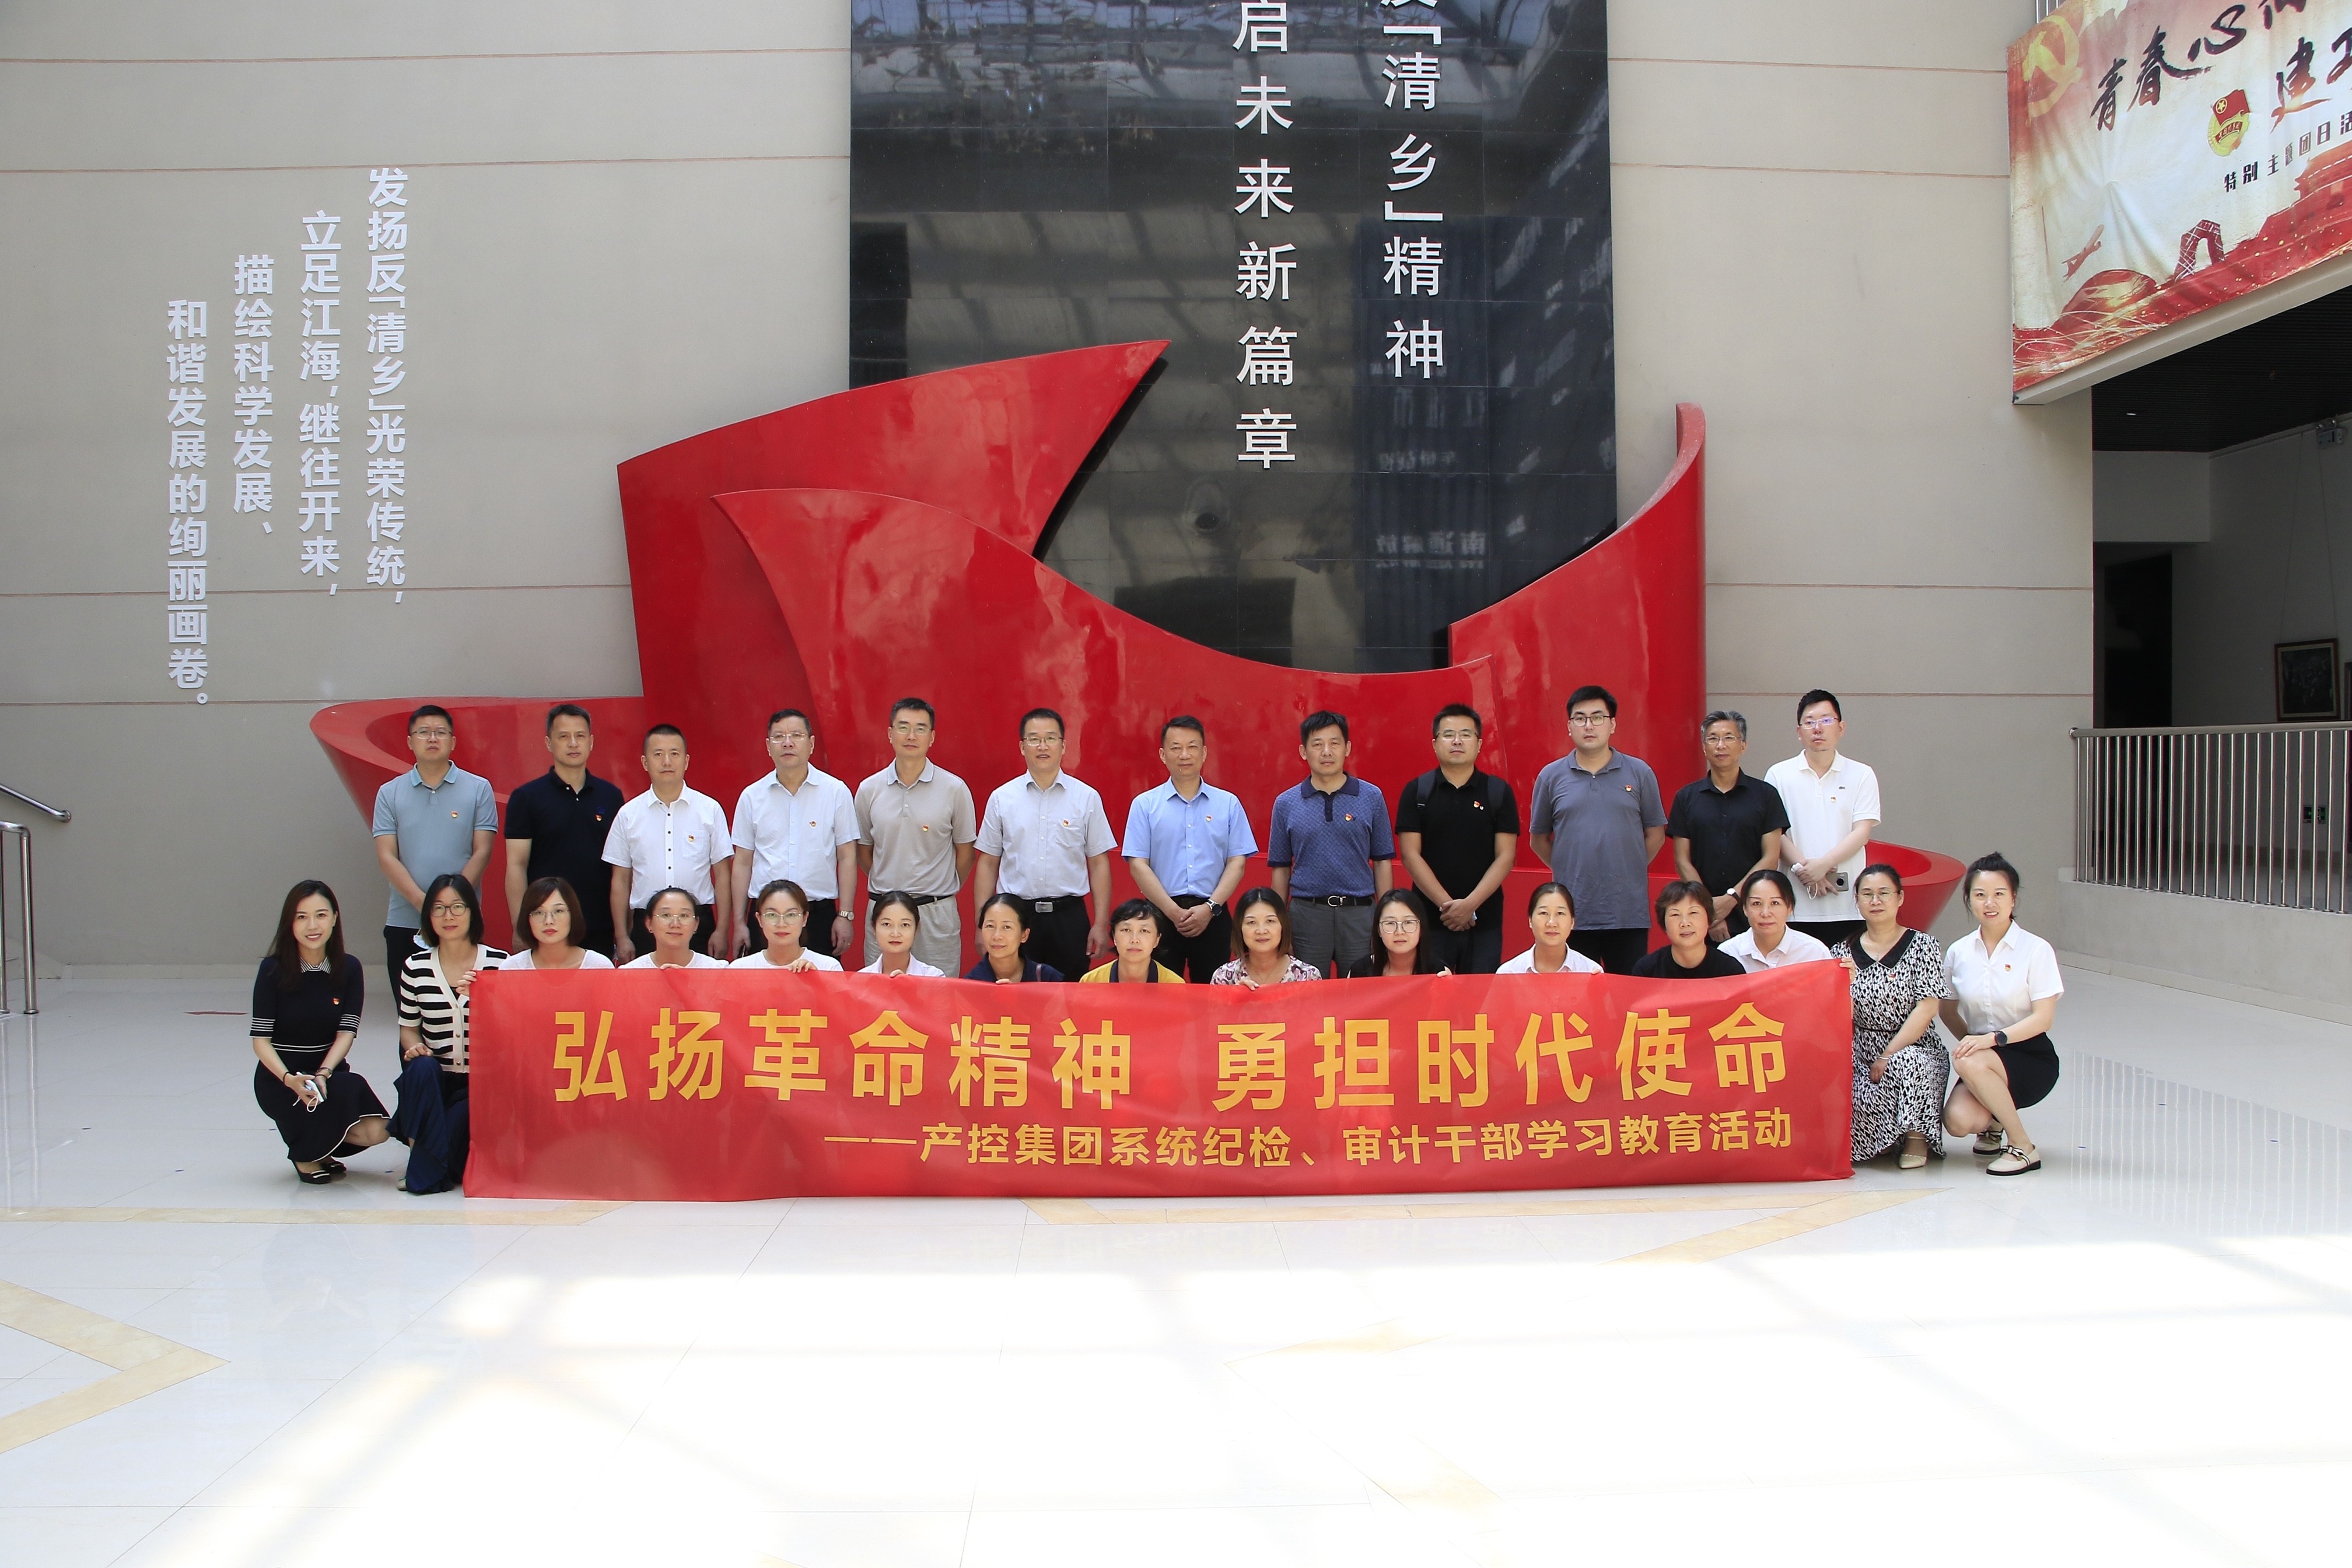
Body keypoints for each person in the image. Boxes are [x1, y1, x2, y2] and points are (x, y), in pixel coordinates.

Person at [250, 880, 390, 1184]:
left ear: (335, 918)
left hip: (327, 1073)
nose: (312, 926)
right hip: (282, 1078)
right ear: (290, 923)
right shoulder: (273, 970)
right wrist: (289, 1079)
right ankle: (305, 1154)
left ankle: (321, 1146)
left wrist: (324, 1073)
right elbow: (260, 1041)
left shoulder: (349, 969)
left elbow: (346, 1033)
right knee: (307, 1099)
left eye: (321, 915)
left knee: (376, 1131)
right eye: (302, 917)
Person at [1527, 685, 1667, 974]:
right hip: (1571, 912)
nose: (1589, 726)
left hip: (1627, 912)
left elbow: (1655, 834)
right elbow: (1538, 840)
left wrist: (1629, 865)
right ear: (1569, 726)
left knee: (1627, 992)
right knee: (1575, 994)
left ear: (1612, 724)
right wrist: (1570, 868)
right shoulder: (1551, 776)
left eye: (1597, 717)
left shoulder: (1639, 772)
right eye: (1580, 718)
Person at [1939, 852, 2063, 1177]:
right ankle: (1993, 1122)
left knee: (1967, 1060)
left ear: (2013, 899)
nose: (1989, 903)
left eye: (1999, 894)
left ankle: (2022, 1146)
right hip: (1984, 1056)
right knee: (1958, 1122)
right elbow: (1946, 1009)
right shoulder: (1959, 952)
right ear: (1968, 900)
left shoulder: (2036, 949)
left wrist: (1990, 1041)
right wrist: (1973, 1041)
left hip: (2030, 1056)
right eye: (1980, 895)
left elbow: (2044, 1018)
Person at [971, 708, 1116, 981]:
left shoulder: (1086, 797)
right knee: (1015, 995)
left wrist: (1100, 923)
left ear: (1063, 746)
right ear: (1022, 747)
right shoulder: (1002, 798)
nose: (1042, 746)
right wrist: (983, 924)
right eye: (1034, 739)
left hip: (1069, 916)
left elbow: (1099, 863)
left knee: (1069, 994)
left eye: (1050, 738)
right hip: (1015, 916)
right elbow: (988, 863)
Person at [370, 703, 498, 999]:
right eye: (423, 732)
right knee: (409, 1012)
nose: (432, 738)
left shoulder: (479, 789)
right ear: (410, 741)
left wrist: (451, 905)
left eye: (440, 732)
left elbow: (482, 852)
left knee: (467, 1010)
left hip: (462, 920)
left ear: (453, 741)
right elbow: (387, 857)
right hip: (405, 921)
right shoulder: (389, 793)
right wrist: (425, 905)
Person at [391, 874, 509, 1194]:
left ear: (473, 911)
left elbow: (512, 1029)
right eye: (439, 908)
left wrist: (483, 999)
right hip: (436, 1081)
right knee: (421, 1068)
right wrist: (415, 1048)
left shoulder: (500, 963)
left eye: (457, 907)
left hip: (480, 1083)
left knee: (455, 1145)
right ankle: (430, 1164)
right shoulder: (414, 967)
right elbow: (409, 1028)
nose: (449, 916)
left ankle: (426, 1165)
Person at [1836, 863, 1953, 1170]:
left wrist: (1888, 1054)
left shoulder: (1923, 946)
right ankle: (1886, 1138)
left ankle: (1916, 1138)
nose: (1876, 901)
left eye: (1884, 893)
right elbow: (1838, 1016)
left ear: (1900, 898)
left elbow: (1927, 1009)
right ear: (1857, 901)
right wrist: (1846, 988)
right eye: (1867, 894)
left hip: (1914, 1045)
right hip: (1861, 1047)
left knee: (1908, 1062)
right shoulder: (1841, 953)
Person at [1122, 716, 1256, 982]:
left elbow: (1237, 863)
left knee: (1213, 993)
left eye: (1192, 747)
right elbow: (1138, 865)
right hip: (1161, 917)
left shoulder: (1228, 804)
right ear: (1163, 755)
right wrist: (1172, 912)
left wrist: (1210, 908)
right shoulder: (1145, 805)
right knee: (1160, 993)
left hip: (1213, 915)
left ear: (1204, 753)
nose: (1184, 755)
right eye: (1176, 748)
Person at [1266, 711, 1395, 979]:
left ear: (1347, 748)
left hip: (1359, 915)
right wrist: (1279, 923)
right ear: (1304, 752)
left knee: (1361, 991)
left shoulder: (1371, 797)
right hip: (1307, 916)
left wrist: (1387, 917)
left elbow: (1382, 861)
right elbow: (1281, 868)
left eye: (1335, 743)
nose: (1327, 751)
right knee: (1307, 993)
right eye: (1317, 744)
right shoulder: (1286, 803)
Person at [1394, 704, 1521, 974]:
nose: (1457, 741)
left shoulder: (1498, 792)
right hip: (1431, 920)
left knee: (1480, 996)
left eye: (1466, 734)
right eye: (1448, 734)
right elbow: (1410, 855)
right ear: (1435, 744)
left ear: (1479, 743)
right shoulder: (1418, 791)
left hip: (1484, 922)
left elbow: (1506, 856)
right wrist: (1448, 907)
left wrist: (1470, 906)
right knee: (1431, 994)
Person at [855, 698, 977, 976]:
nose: (911, 736)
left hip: (935, 913)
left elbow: (966, 852)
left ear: (932, 737)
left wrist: (938, 887)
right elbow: (863, 850)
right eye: (903, 727)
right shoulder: (869, 789)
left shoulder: (954, 789)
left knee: (938, 995)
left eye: (920, 729)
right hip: (885, 913)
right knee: (880, 993)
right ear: (890, 734)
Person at [728, 708, 859, 963]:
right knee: (765, 986)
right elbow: (742, 863)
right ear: (768, 747)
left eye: (796, 735)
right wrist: (740, 923)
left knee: (819, 985)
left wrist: (845, 915)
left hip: (818, 914)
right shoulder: (752, 797)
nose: (787, 743)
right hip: (765, 915)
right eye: (779, 737)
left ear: (811, 744)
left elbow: (847, 857)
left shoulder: (836, 792)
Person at [503, 703, 625, 959]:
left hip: (599, 925)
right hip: (546, 927)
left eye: (580, 736)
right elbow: (516, 865)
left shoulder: (611, 797)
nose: (573, 744)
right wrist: (520, 926)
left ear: (591, 742)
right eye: (563, 736)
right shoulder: (527, 798)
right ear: (549, 743)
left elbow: (621, 869)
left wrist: (623, 930)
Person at [604, 724, 733, 964]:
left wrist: (722, 930)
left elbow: (723, 876)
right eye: (658, 754)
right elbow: (620, 881)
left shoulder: (709, 810)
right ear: (645, 762)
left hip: (697, 923)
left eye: (674, 754)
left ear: (686, 761)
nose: (667, 762)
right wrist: (621, 936)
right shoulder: (628, 815)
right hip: (647, 924)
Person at [1765, 690, 1881, 949]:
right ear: (1799, 731)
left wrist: (1823, 865)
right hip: (1794, 905)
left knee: (1845, 970)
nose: (1818, 728)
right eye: (1810, 722)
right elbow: (1775, 833)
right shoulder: (1779, 775)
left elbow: (1862, 832)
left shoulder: (1861, 774)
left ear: (1841, 728)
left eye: (1827, 720)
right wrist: (1804, 870)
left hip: (1848, 905)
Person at [1667, 709, 1788, 942]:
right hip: (1702, 916)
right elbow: (1682, 860)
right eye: (1713, 738)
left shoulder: (1766, 795)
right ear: (1704, 748)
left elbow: (1771, 858)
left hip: (1754, 912)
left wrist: (1731, 899)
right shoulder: (1686, 797)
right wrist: (1709, 909)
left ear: (1743, 746)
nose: (1721, 745)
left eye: (1729, 737)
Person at [1718, 870, 1833, 971]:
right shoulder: (1728, 953)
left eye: (1775, 903)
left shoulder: (1815, 953)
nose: (1765, 913)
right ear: (1745, 909)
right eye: (1756, 903)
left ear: (1790, 907)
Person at [1630, 880, 1746, 979]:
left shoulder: (1730, 971)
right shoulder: (1647, 971)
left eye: (1693, 913)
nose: (1685, 923)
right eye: (1675, 915)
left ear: (1708, 920)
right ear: (1664, 923)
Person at [498, 877, 616, 971]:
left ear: (573, 915)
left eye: (558, 911)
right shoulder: (512, 968)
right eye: (539, 913)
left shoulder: (599, 966)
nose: (549, 921)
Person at [1212, 886, 1322, 987]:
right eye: (1251, 922)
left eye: (1270, 921)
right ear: (1239, 928)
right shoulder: (1224, 977)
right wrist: (1234, 997)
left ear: (1283, 925)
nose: (1261, 931)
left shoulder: (1308, 976)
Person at [731, 879, 845, 971]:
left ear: (805, 918)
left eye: (791, 915)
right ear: (759, 919)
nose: (782, 924)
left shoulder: (828, 967)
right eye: (772, 915)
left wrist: (816, 981)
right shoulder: (740, 969)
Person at [1496, 881, 1604, 974]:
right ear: (1530, 920)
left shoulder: (1590, 971)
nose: (1552, 923)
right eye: (1544, 913)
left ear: (1572, 922)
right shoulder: (1509, 973)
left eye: (1560, 913)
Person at [1344, 888, 1450, 977]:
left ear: (1421, 928)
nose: (1399, 932)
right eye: (1390, 923)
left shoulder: (1439, 972)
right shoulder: (1360, 972)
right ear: (1379, 930)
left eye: (1408, 922)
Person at [964, 892, 1066, 982]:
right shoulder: (971, 984)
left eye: (1007, 927)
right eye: (990, 926)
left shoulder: (1047, 978)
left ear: (1024, 935)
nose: (997, 936)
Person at [1081, 898, 1188, 984]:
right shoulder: (1091, 982)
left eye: (1144, 931)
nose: (1134, 940)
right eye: (1126, 930)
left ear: (1157, 939)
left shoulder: (1174, 984)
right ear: (1114, 937)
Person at [622, 887, 729, 969]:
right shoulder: (630, 972)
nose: (675, 924)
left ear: (696, 924)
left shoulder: (716, 970)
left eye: (684, 916)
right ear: (649, 923)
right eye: (666, 915)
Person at [862, 889, 946, 977]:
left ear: (916, 929)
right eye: (887, 924)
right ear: (874, 927)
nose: (895, 934)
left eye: (905, 925)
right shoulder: (861, 979)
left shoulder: (934, 977)